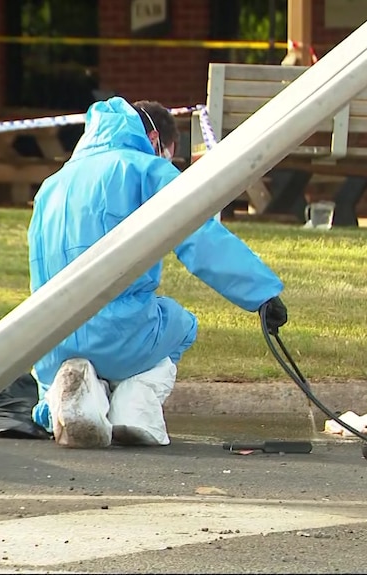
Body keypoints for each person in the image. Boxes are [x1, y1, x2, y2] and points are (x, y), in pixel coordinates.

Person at [27, 97, 288, 448]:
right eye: (169, 151)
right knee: (181, 325)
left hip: (49, 337)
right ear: (154, 140)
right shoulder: (147, 171)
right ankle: (136, 407)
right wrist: (262, 294)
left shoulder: (51, 186)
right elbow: (201, 238)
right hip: (118, 334)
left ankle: (75, 397)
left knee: (88, 343)